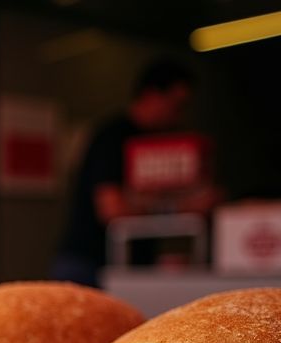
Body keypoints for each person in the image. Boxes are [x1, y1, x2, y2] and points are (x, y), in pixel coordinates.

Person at [54, 58, 213, 287]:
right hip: (90, 264)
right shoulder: (113, 137)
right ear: (151, 95)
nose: (179, 115)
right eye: (176, 105)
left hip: (131, 265)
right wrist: (180, 209)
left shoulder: (158, 140)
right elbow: (111, 209)